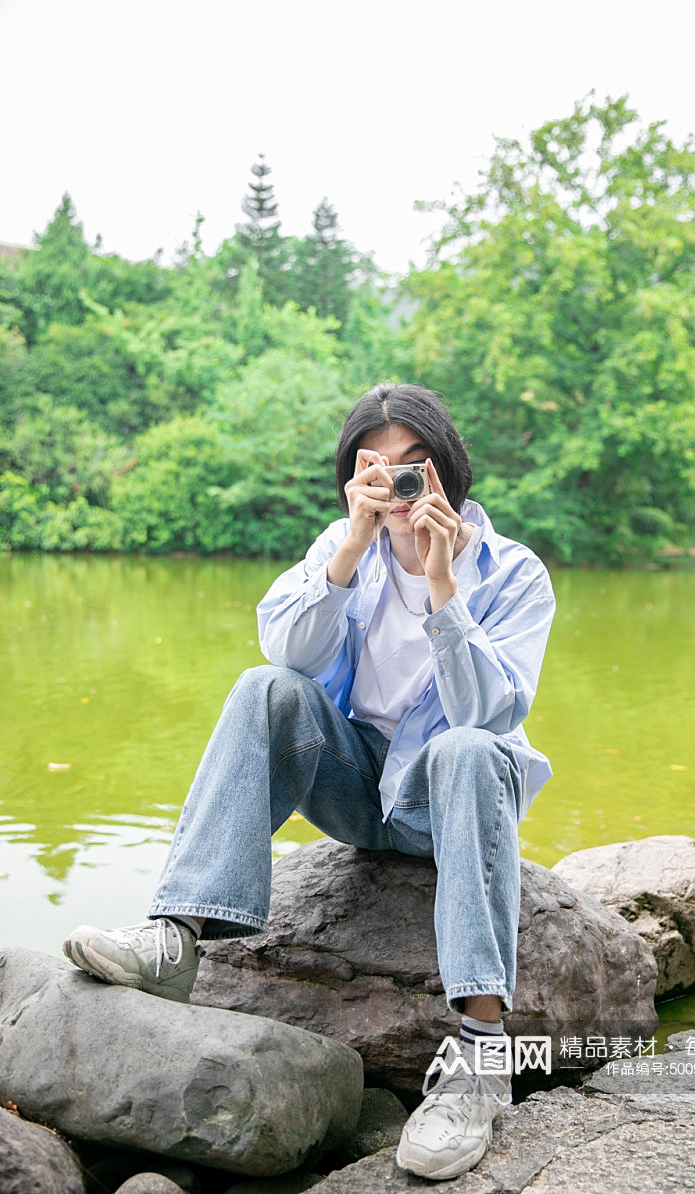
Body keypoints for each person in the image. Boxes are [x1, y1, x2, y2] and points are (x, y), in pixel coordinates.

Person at [63, 382, 556, 1181]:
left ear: (449, 472)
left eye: (414, 468)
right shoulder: (342, 540)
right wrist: (351, 550)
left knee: (468, 749)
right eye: (378, 469)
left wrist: (441, 585)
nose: (396, 488)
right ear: (353, 476)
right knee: (265, 687)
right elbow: (287, 655)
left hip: (446, 802)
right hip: (356, 788)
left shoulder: (515, 573)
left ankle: (479, 1054)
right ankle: (176, 935)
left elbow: (488, 713)